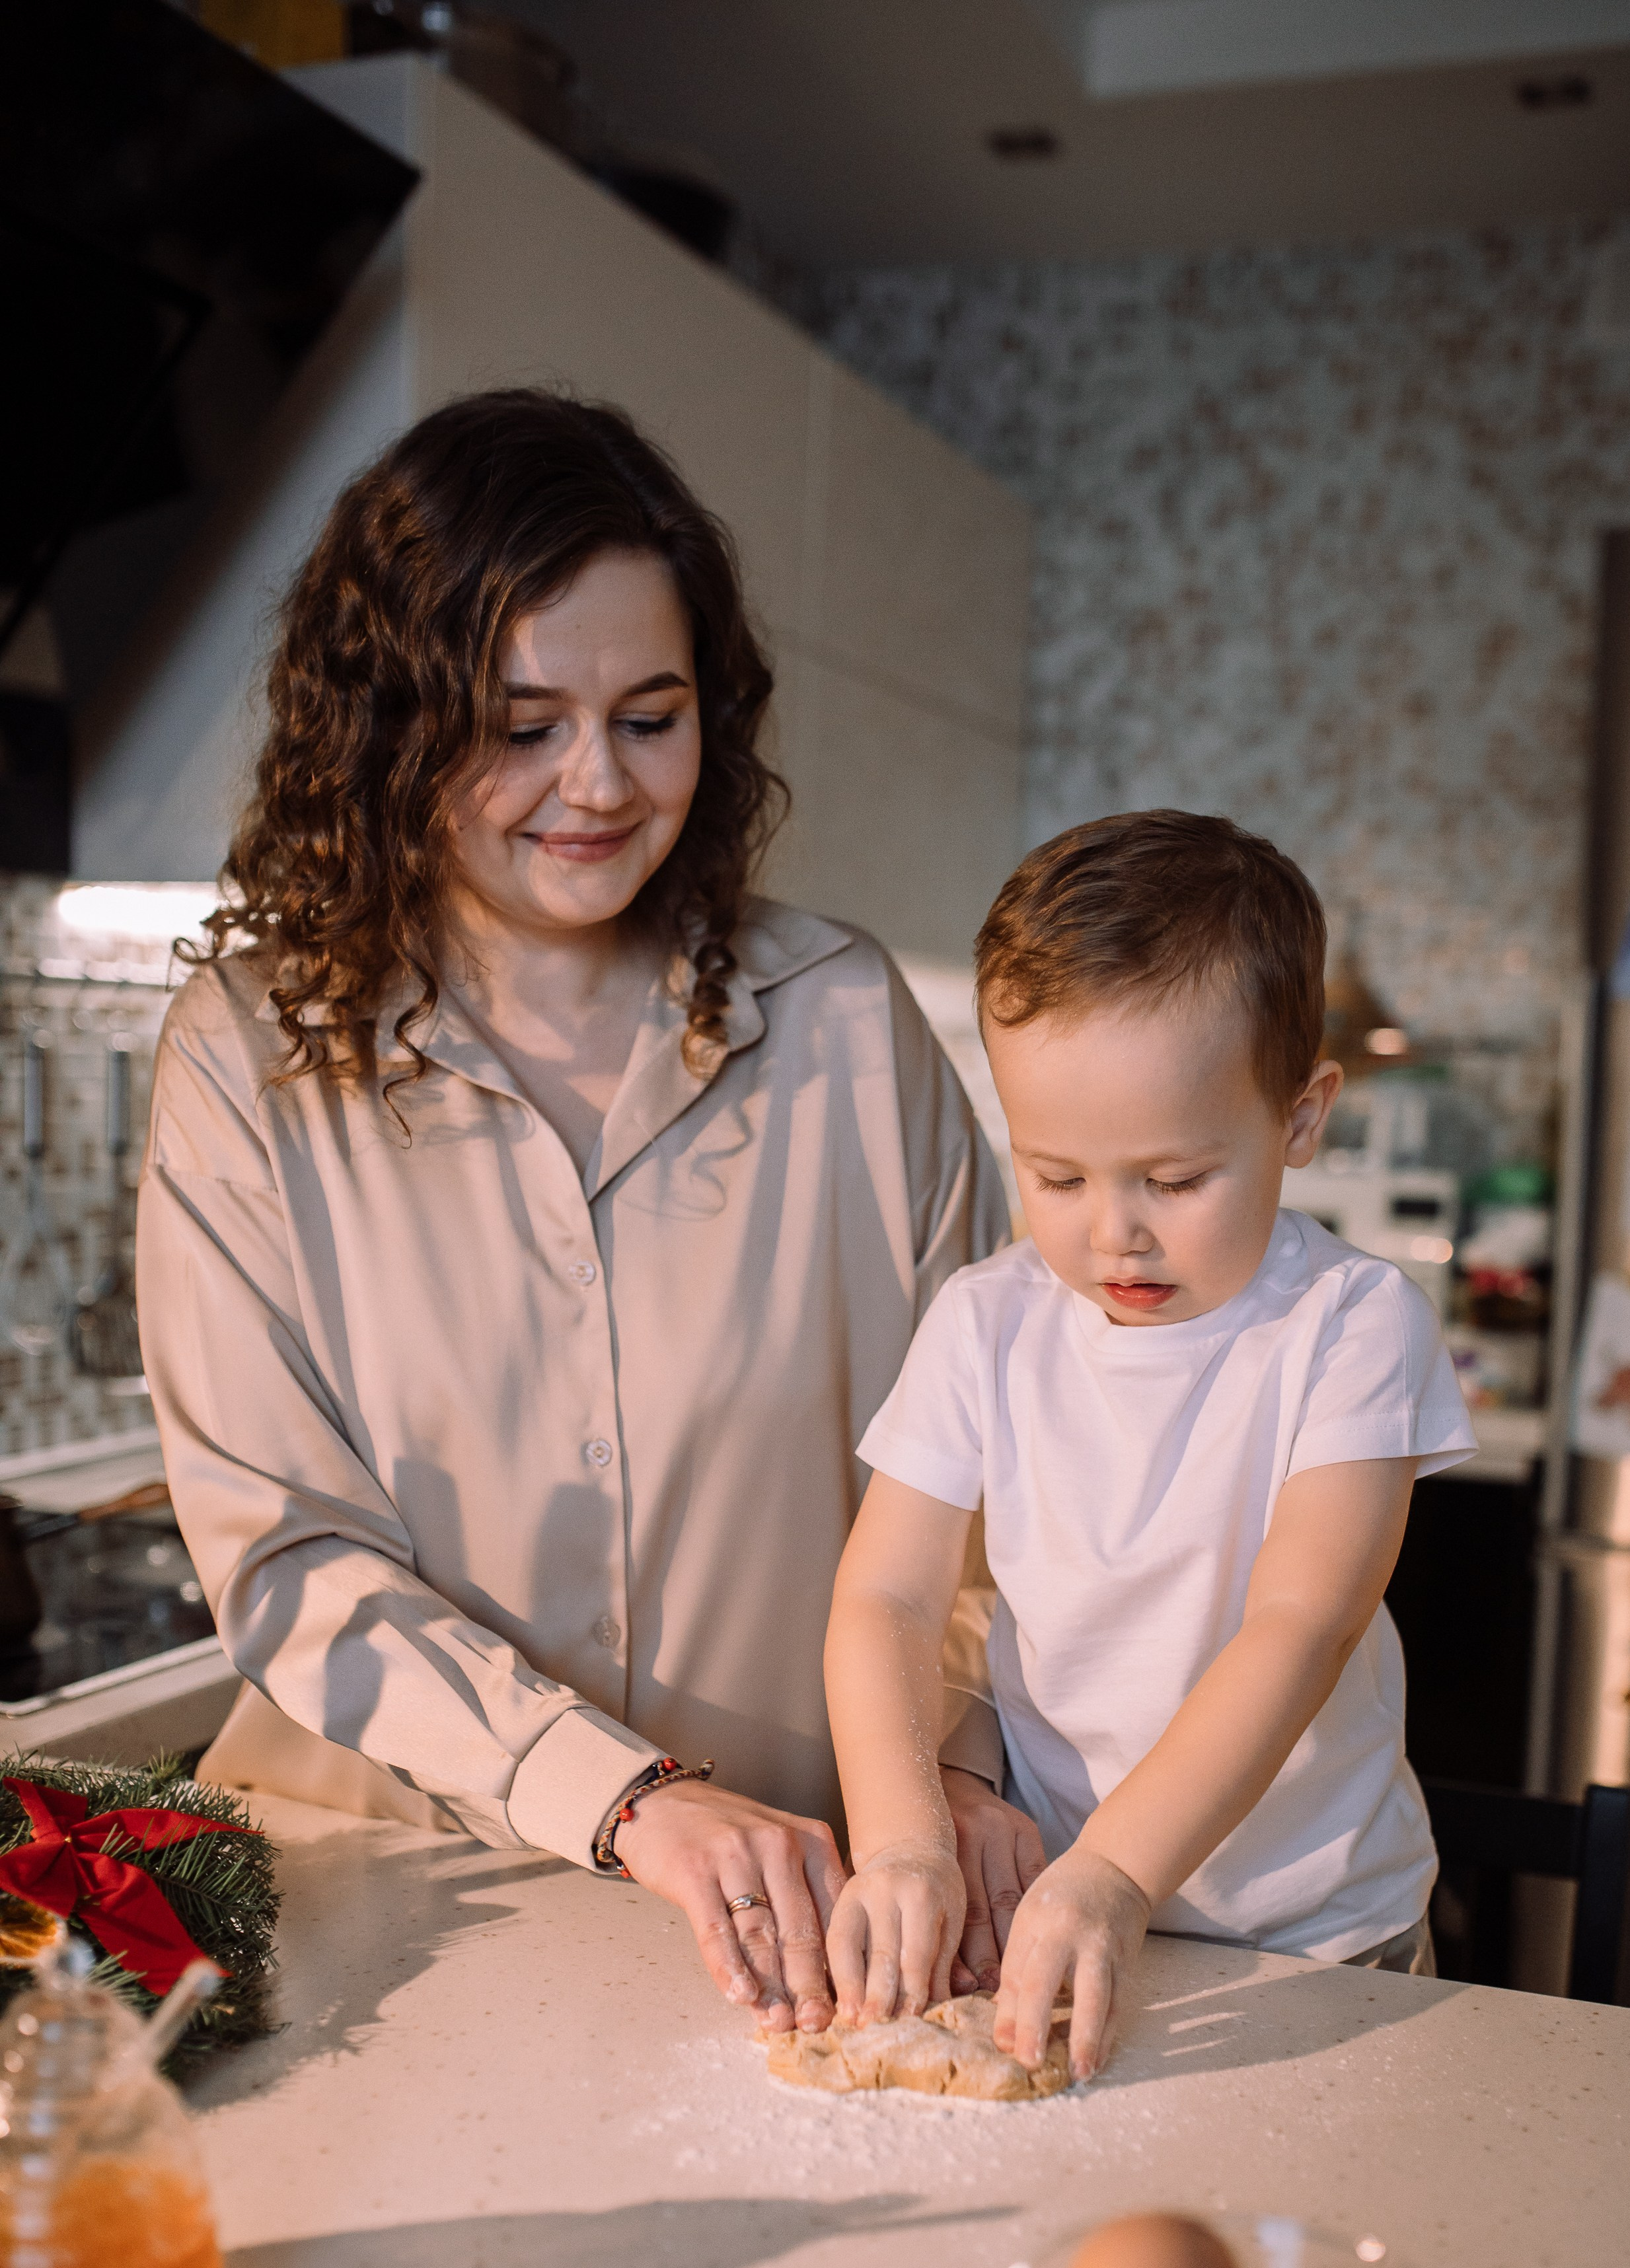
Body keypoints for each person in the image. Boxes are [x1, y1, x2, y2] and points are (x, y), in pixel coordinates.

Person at [136, 388, 1024, 2035]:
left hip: (788, 1923)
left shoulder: (843, 1025)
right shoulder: (249, 1059)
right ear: (394, 725)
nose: (597, 784)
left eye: (650, 713)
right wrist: (618, 1795)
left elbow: (987, 1487)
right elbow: (287, 1559)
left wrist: (955, 1767)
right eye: (522, 722)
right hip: (395, 1913)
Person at [822, 811, 1475, 2082]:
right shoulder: (987, 1322)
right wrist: (904, 1836)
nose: (1113, 1234)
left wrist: (1118, 1868)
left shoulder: (1351, 1327)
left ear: (1300, 1117)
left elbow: (1300, 1625)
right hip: (1050, 1918)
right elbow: (888, 1594)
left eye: (1172, 1181)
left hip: (1314, 1939)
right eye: (1057, 1177)